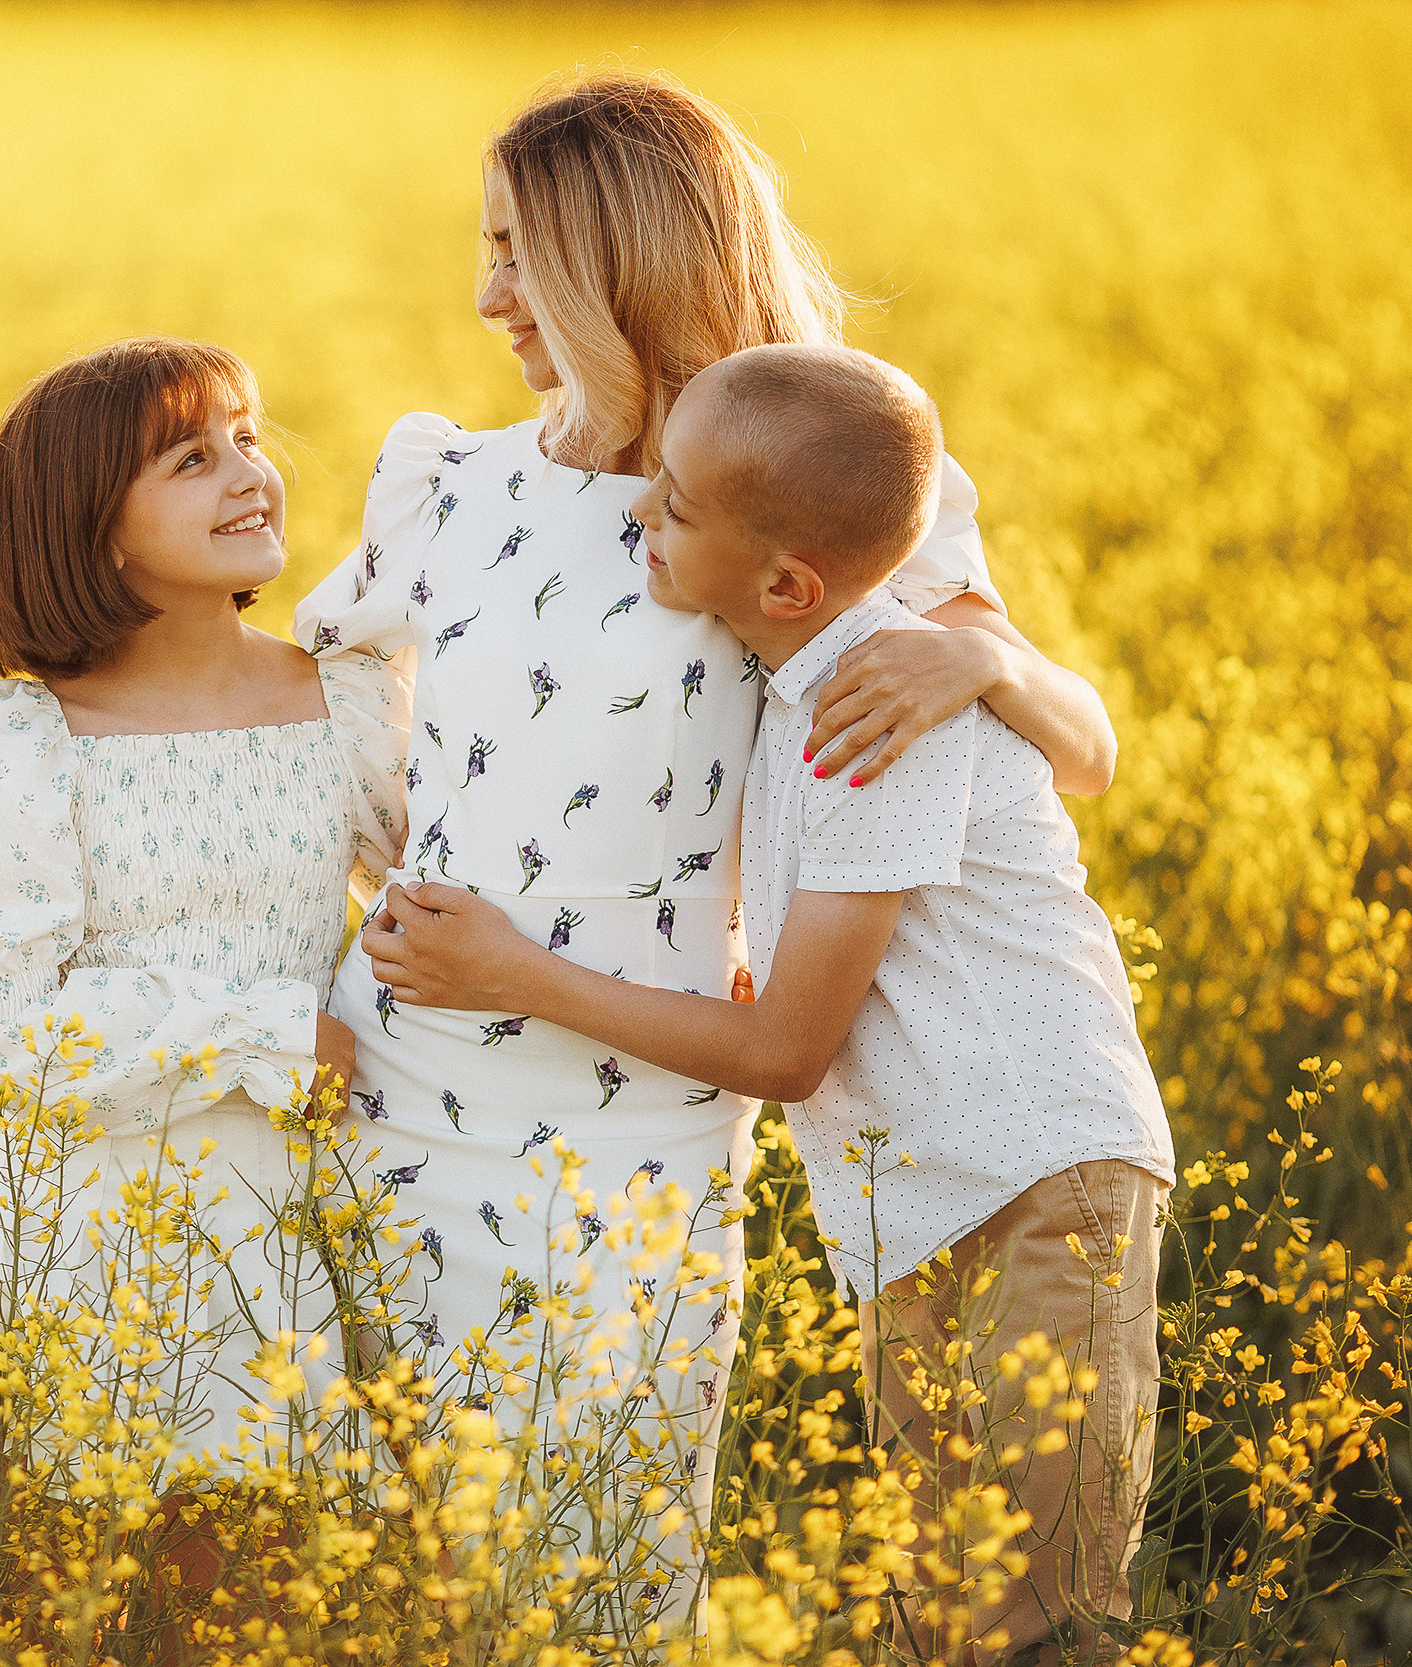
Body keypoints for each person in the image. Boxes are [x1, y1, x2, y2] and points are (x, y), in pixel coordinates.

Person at [290, 70, 1121, 1573]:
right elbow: (311, 705)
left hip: (646, 1103)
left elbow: (1061, 749)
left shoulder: (816, 471)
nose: (488, 299)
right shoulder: (453, 483)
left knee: (607, 1556)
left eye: (517, 255)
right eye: (482, 252)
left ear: (626, 268)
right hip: (407, 1077)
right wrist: (67, 576)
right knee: (385, 1555)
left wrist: (992, 653)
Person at [362, 342, 1178, 1665]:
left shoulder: (874, 714)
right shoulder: (807, 674)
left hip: (1037, 1173)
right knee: (941, 1613)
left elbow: (788, 1050)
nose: (640, 515)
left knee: (1035, 1621)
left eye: (675, 507)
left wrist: (511, 972)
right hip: (925, 1192)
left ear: (786, 583)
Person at [0, 337, 409, 1492]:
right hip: (83, 1224)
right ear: (96, 526)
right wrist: (272, 1034)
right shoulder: (26, 736)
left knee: (268, 1592)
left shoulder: (348, 693)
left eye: (249, 439)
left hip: (288, 1213)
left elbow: (460, 873)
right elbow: (17, 1035)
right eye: (189, 458)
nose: (248, 473)